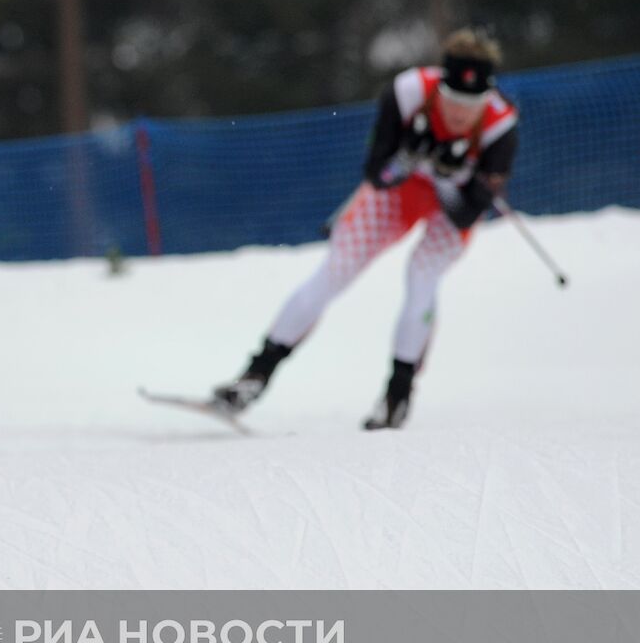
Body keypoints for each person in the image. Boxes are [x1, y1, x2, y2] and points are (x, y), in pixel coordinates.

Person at [212, 27, 519, 430]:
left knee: (422, 277)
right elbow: (376, 173)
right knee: (334, 271)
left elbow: (467, 214)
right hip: (398, 195)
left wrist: (446, 176)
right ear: (439, 88)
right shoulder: (408, 92)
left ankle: (397, 396)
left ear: (488, 98)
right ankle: (254, 376)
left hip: (450, 209)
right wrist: (409, 161)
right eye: (453, 100)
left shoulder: (500, 125)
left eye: (472, 103)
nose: (460, 113)